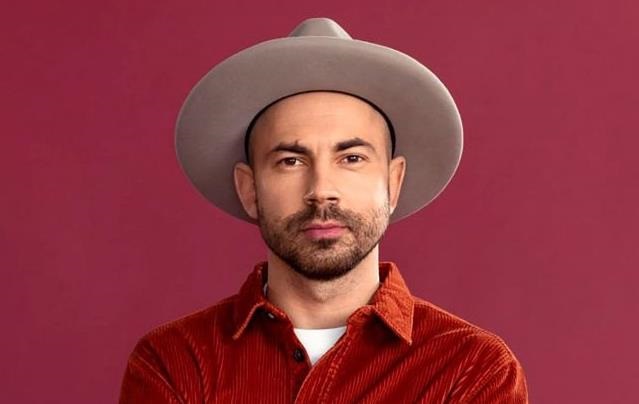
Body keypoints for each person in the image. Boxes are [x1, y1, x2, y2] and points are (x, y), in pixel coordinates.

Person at [119, 17, 528, 403]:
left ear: (393, 182)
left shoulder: (471, 367)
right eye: (290, 161)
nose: (321, 191)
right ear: (249, 189)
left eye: (351, 158)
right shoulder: (174, 360)